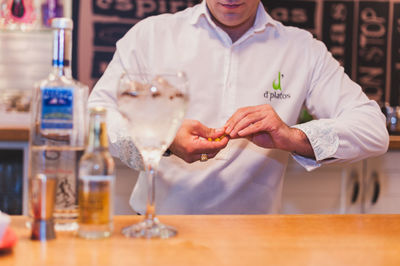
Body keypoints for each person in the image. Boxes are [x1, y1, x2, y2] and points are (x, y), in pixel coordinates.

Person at [88, 0, 389, 214]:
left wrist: (291, 136)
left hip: (256, 238)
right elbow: (96, 115)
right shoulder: (151, 36)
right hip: (159, 227)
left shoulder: (302, 49)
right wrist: (163, 139)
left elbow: (373, 129)